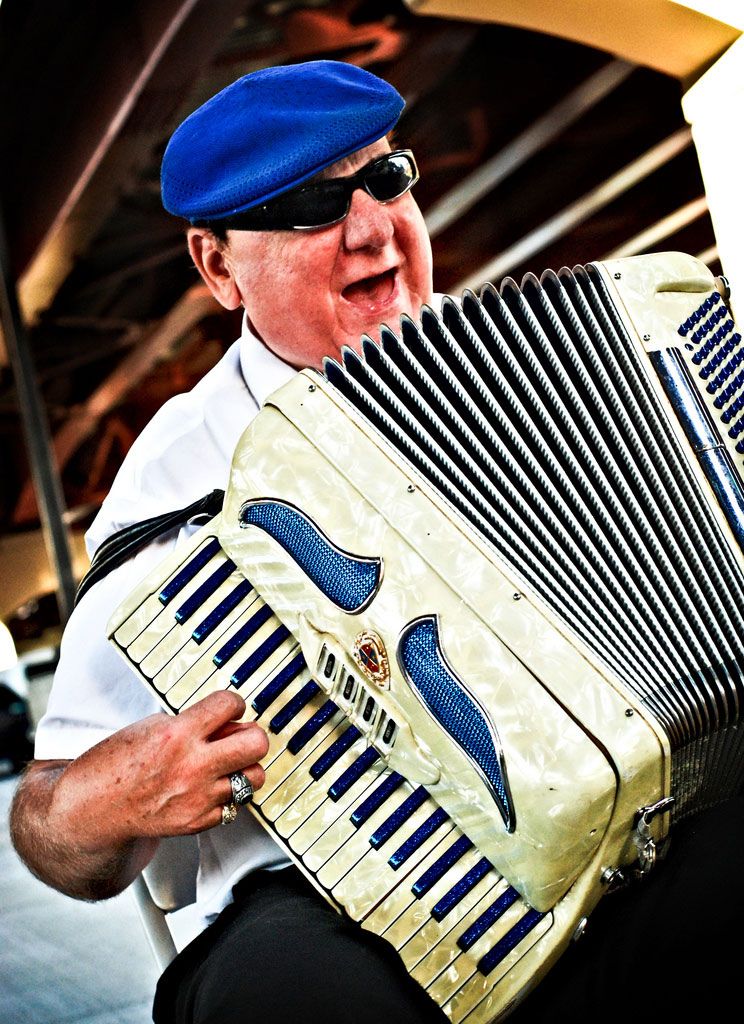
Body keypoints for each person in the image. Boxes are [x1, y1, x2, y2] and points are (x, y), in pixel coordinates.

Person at [9, 59, 743, 1024]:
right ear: (217, 266)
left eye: (387, 180)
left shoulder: (542, 363)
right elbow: (48, 826)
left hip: (642, 827)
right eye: (311, 205)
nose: (373, 229)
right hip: (350, 894)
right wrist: (114, 797)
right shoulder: (175, 484)